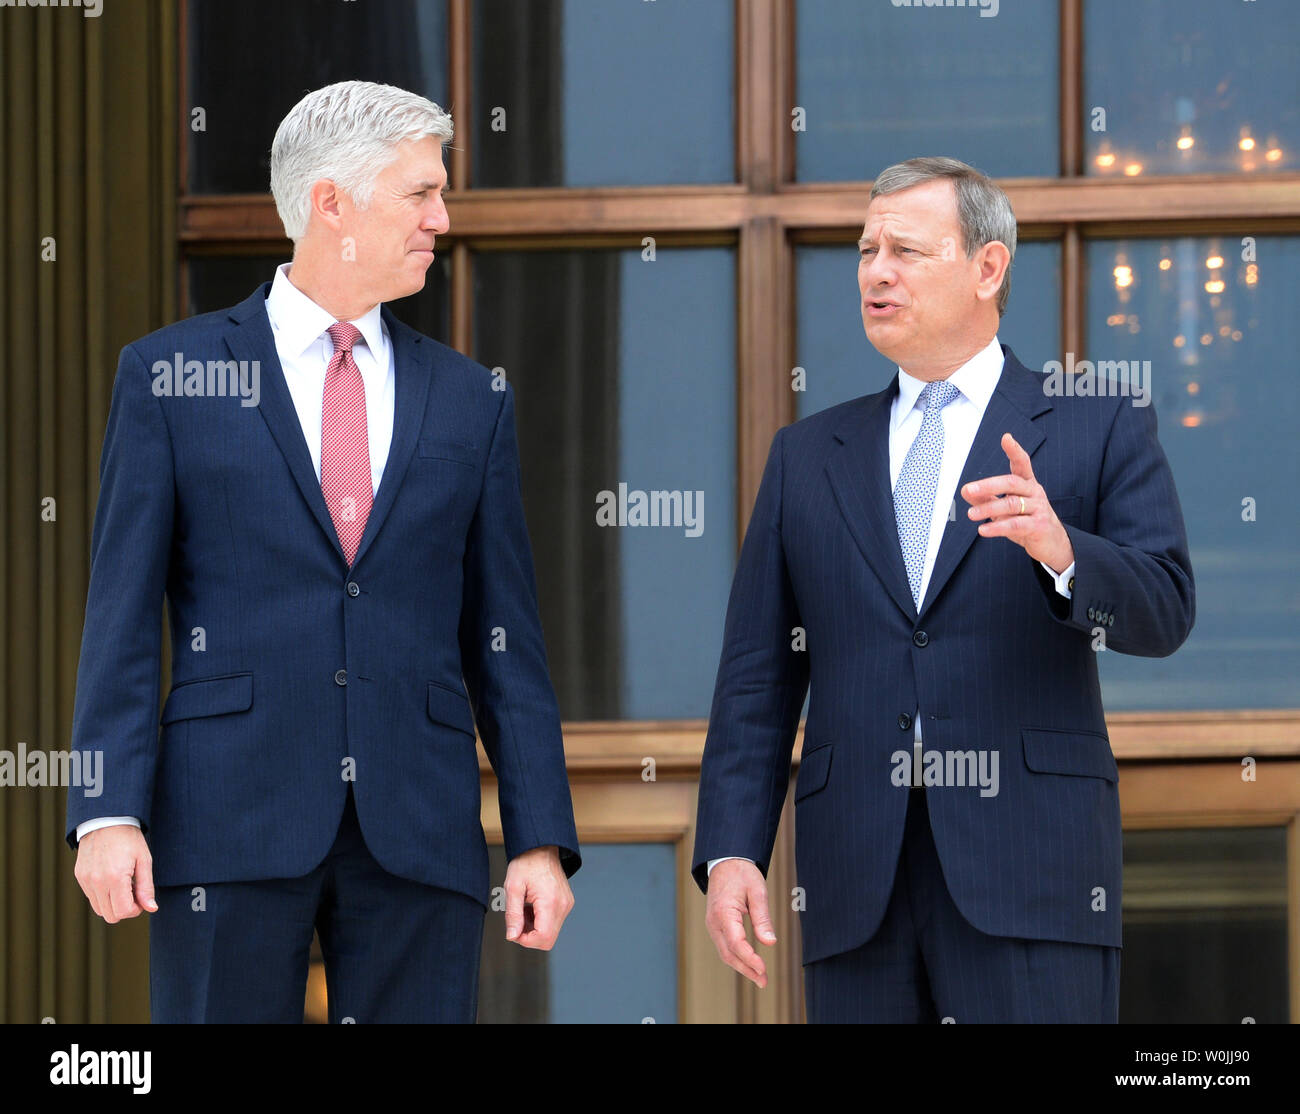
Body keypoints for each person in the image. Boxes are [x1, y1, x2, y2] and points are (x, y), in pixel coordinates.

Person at [66, 80, 580, 1023]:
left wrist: (539, 837)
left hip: (419, 830)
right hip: (226, 818)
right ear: (330, 202)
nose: (442, 216)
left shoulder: (472, 399)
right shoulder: (169, 375)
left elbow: (508, 638)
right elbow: (122, 614)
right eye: (420, 192)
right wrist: (106, 811)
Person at [693, 156, 1194, 1023]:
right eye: (865, 250)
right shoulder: (807, 456)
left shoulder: (1095, 418)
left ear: (988, 268)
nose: (875, 271)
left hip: (1033, 870)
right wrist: (733, 850)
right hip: (858, 881)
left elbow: (1164, 610)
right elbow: (756, 679)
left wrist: (1062, 549)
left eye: (906, 252)